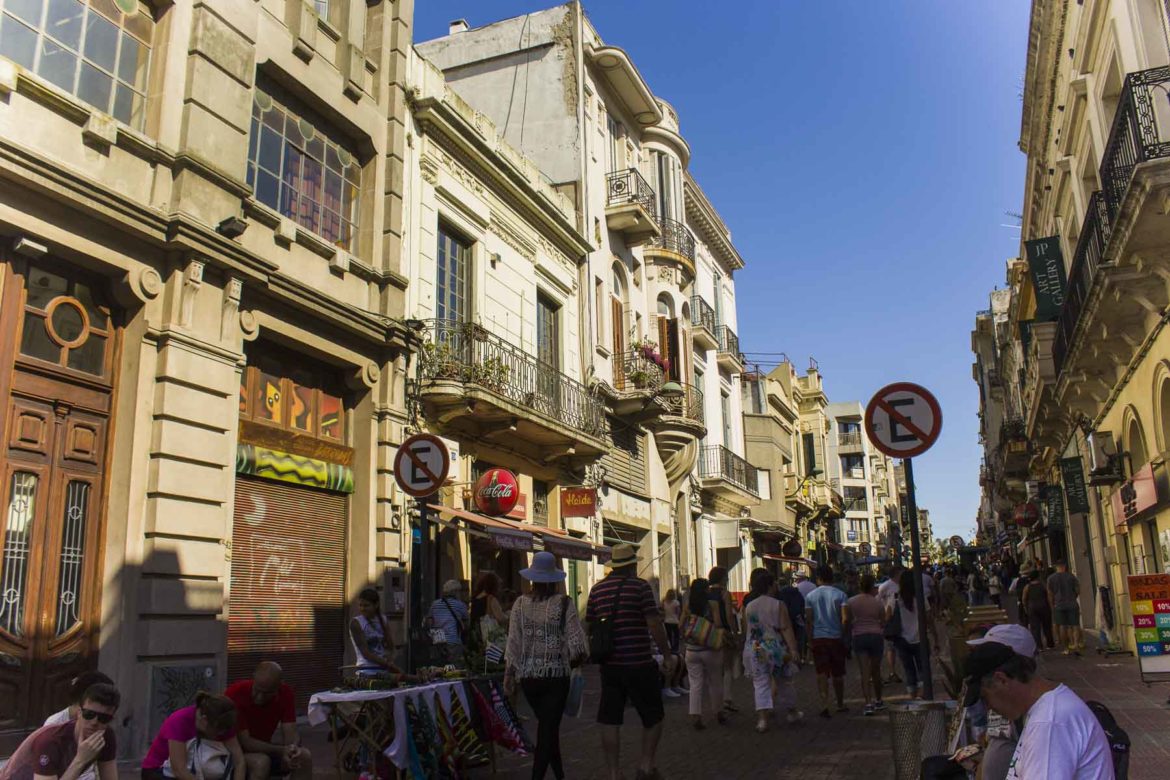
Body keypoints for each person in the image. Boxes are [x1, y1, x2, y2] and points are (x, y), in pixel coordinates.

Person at [963, 633, 1114, 778]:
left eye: (985, 698)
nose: (988, 708)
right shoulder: (1045, 711)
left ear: (1001, 680)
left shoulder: (1049, 722)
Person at [584, 543, 675, 780]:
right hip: (639, 663)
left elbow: (590, 625)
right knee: (654, 716)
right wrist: (666, 654)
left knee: (609, 719)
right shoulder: (640, 588)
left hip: (610, 666)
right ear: (632, 565)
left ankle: (614, 773)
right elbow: (654, 624)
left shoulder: (597, 590)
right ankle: (646, 766)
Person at [504, 552, 589, 780]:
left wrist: (509, 675)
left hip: (530, 679)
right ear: (554, 579)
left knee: (547, 729)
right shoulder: (564, 603)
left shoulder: (519, 604)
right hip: (556, 677)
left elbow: (513, 642)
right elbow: (578, 645)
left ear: (533, 577)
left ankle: (560, 775)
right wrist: (575, 660)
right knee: (547, 731)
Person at [0, 682, 119, 780]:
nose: (94, 722)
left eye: (104, 718)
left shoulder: (106, 736)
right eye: (89, 714)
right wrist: (80, 760)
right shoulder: (50, 741)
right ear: (78, 712)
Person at [225, 661, 311, 779]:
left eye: (267, 693)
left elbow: (291, 732)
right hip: (234, 751)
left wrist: (292, 749)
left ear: (279, 687)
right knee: (261, 762)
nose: (260, 697)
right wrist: (282, 750)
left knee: (304, 757)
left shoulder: (285, 693)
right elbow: (246, 742)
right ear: (253, 678)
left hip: (263, 748)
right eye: (257, 690)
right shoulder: (235, 693)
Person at [742, 568, 801, 732]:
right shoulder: (777, 604)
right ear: (769, 585)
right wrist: (793, 649)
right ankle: (792, 711)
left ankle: (762, 720)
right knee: (784, 681)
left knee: (760, 683)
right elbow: (786, 628)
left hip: (756, 646)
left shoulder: (750, 606)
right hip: (775, 647)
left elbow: (748, 629)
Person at [142, 691, 245, 780]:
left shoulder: (222, 724)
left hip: (199, 768)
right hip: (160, 771)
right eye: (217, 731)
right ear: (204, 720)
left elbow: (239, 760)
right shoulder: (179, 720)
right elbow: (179, 770)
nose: (221, 735)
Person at [804, 563, 848, 718]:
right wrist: (843, 634)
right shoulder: (840, 595)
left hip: (818, 638)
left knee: (821, 672)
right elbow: (845, 618)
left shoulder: (810, 596)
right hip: (835, 638)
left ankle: (824, 704)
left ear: (818, 578)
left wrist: (809, 640)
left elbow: (809, 621)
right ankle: (840, 703)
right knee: (838, 673)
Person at [682, 578, 725, 729]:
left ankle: (695, 715)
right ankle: (718, 711)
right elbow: (718, 624)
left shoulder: (688, 606)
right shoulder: (712, 604)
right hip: (710, 648)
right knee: (715, 681)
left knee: (695, 684)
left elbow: (681, 625)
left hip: (692, 649)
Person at [845, 573, 885, 715]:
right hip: (875, 636)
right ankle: (879, 700)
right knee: (876, 670)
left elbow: (848, 620)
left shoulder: (851, 601)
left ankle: (868, 703)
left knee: (864, 671)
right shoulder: (878, 602)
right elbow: (883, 621)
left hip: (859, 636)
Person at [706, 566, 741, 715]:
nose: (727, 579)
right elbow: (729, 615)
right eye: (726, 576)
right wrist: (734, 631)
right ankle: (727, 699)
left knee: (713, 669)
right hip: (723, 632)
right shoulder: (725, 594)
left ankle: (715, 700)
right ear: (722, 578)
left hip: (708, 632)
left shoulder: (705, 593)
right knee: (727, 667)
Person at [889, 568, 926, 699]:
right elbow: (929, 617)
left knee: (909, 670)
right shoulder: (920, 598)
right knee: (923, 669)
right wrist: (935, 636)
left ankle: (913, 697)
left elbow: (888, 616)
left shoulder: (896, 598)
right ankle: (922, 697)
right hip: (920, 637)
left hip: (901, 639)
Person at [350, 587, 403, 676]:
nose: (362, 609)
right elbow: (366, 653)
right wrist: (388, 665)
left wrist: (390, 658)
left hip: (384, 670)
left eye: (366, 605)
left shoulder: (383, 619)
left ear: (376, 605)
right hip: (366, 671)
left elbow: (391, 646)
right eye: (360, 605)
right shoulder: (356, 623)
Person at [427, 579, 470, 664]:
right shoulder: (460, 605)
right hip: (453, 641)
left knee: (439, 666)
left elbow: (429, 622)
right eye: (459, 591)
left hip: (438, 641)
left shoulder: (435, 604)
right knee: (454, 667)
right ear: (455, 592)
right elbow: (467, 624)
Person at [1047, 561, 1083, 656]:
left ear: (1056, 567)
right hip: (1072, 603)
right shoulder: (1071, 577)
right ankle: (1076, 645)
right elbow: (1078, 590)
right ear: (1065, 566)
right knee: (1075, 625)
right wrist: (1074, 596)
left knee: (1063, 626)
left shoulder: (1051, 578)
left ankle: (1066, 648)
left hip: (1059, 605)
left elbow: (1050, 594)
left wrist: (1052, 605)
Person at [470, 571, 508, 653]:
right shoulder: (491, 598)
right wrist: (509, 616)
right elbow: (500, 618)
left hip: (479, 636)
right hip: (491, 637)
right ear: (494, 586)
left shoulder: (476, 599)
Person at [877, 565, 904, 684]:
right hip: (891, 620)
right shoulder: (885, 586)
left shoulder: (904, 584)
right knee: (891, 647)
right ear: (896, 574)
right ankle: (893, 671)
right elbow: (879, 601)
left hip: (904, 619)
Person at [776, 573, 808, 665]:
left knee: (787, 638)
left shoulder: (780, 594)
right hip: (797, 618)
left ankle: (790, 657)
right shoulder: (796, 591)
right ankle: (800, 656)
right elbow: (801, 604)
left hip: (786, 618)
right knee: (799, 637)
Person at [661, 588, 687, 696]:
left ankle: (671, 647)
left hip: (667, 621)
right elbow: (678, 612)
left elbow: (663, 611)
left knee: (668, 636)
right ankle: (674, 649)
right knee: (675, 637)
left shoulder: (664, 602)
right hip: (675, 621)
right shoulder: (676, 602)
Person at [1022, 570, 1055, 651]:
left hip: (1032, 608)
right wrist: (1051, 607)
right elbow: (1049, 596)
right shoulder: (1043, 585)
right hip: (1044, 607)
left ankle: (1039, 646)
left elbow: (1024, 599)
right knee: (1047, 626)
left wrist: (1026, 608)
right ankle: (1050, 644)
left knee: (1035, 628)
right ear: (1038, 577)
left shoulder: (1027, 587)